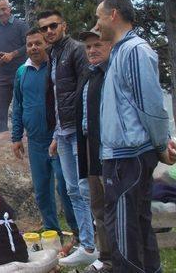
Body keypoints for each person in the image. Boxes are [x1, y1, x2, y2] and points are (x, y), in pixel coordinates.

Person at [96, 0, 176, 272]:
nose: (97, 23)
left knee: (124, 230)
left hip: (128, 155)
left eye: (99, 16)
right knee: (138, 225)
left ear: (114, 14)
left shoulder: (136, 51)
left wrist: (160, 145)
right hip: (121, 154)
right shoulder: (118, 52)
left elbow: (151, 105)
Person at [38, 10, 97, 267]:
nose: (49, 31)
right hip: (62, 132)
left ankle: (95, 245)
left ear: (64, 25)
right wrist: (55, 133)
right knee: (71, 190)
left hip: (78, 131)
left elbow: (83, 90)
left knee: (85, 189)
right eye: (45, 28)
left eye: (53, 26)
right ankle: (86, 244)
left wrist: (83, 128)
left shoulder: (75, 50)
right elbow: (56, 98)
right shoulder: (53, 54)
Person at [11, 28, 78, 239]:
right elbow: (18, 106)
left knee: (65, 187)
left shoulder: (55, 67)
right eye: (30, 44)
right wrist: (16, 137)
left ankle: (79, 231)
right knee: (41, 190)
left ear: (46, 44)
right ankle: (52, 231)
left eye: (38, 43)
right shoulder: (22, 72)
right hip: (35, 141)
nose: (34, 48)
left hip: (58, 138)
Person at [75, 28, 112, 273]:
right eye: (88, 47)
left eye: (97, 45)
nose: (92, 50)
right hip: (90, 145)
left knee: (114, 205)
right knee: (98, 204)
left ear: (110, 45)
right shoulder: (89, 74)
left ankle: (125, 258)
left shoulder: (112, 73)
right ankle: (107, 258)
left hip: (110, 149)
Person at [0, 0, 29, 133]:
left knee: (23, 106)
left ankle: (25, 137)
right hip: (2, 73)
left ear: (10, 8)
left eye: (3, 9)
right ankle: (0, 139)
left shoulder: (21, 25)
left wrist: (12, 54)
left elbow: (28, 45)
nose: (1, 13)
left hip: (21, 72)